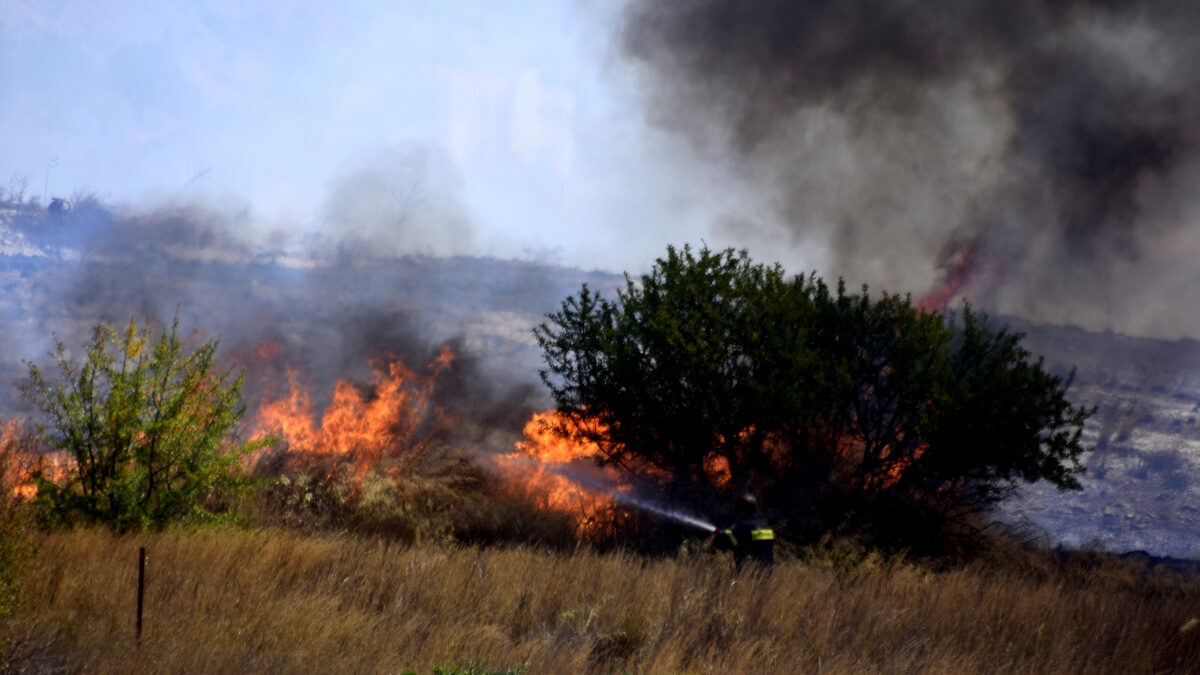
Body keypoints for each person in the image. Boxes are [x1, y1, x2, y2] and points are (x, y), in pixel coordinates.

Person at [713, 493, 774, 568]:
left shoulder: (743, 524)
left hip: (748, 571)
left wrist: (721, 533)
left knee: (733, 580)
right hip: (767, 572)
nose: (736, 512)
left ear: (742, 510)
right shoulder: (765, 526)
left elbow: (720, 540)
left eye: (738, 509)